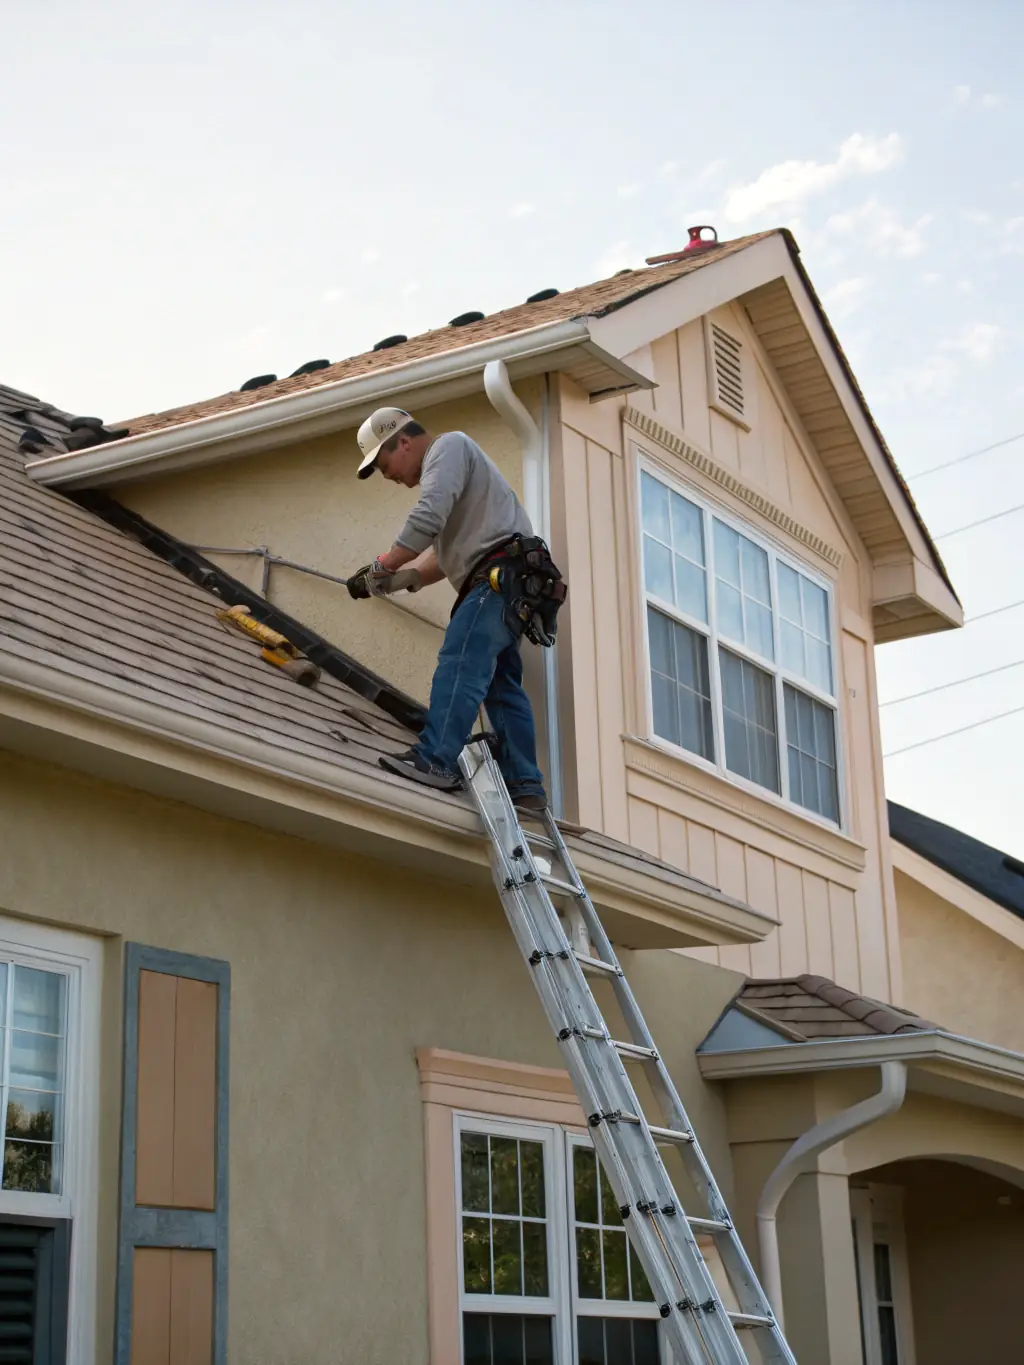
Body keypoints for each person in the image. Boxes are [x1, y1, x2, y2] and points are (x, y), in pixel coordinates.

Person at [346, 407, 565, 812]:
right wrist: (397, 580)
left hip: (496, 581)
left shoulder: (448, 447)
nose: (387, 476)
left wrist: (382, 565)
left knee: (460, 662)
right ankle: (525, 785)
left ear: (404, 442)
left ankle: (435, 760)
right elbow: (440, 560)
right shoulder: (460, 481)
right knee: (500, 686)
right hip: (509, 585)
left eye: (383, 463)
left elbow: (427, 515)